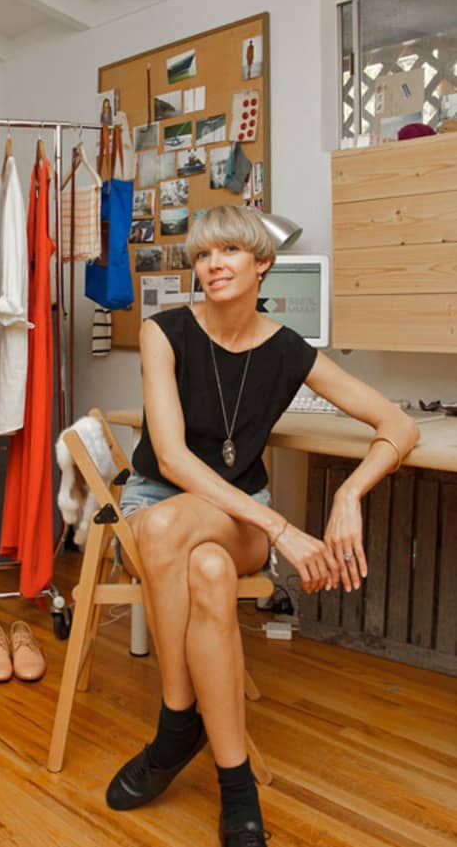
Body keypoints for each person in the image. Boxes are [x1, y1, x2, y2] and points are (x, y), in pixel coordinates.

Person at [106, 205, 419, 846]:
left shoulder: (288, 350)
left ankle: (174, 729)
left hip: (235, 514)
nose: (212, 265)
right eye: (201, 255)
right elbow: (169, 458)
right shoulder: (166, 333)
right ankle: (236, 787)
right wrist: (281, 529)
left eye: (227, 252)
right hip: (165, 501)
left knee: (184, 538)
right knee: (205, 568)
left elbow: (400, 425)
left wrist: (349, 495)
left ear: (262, 265)